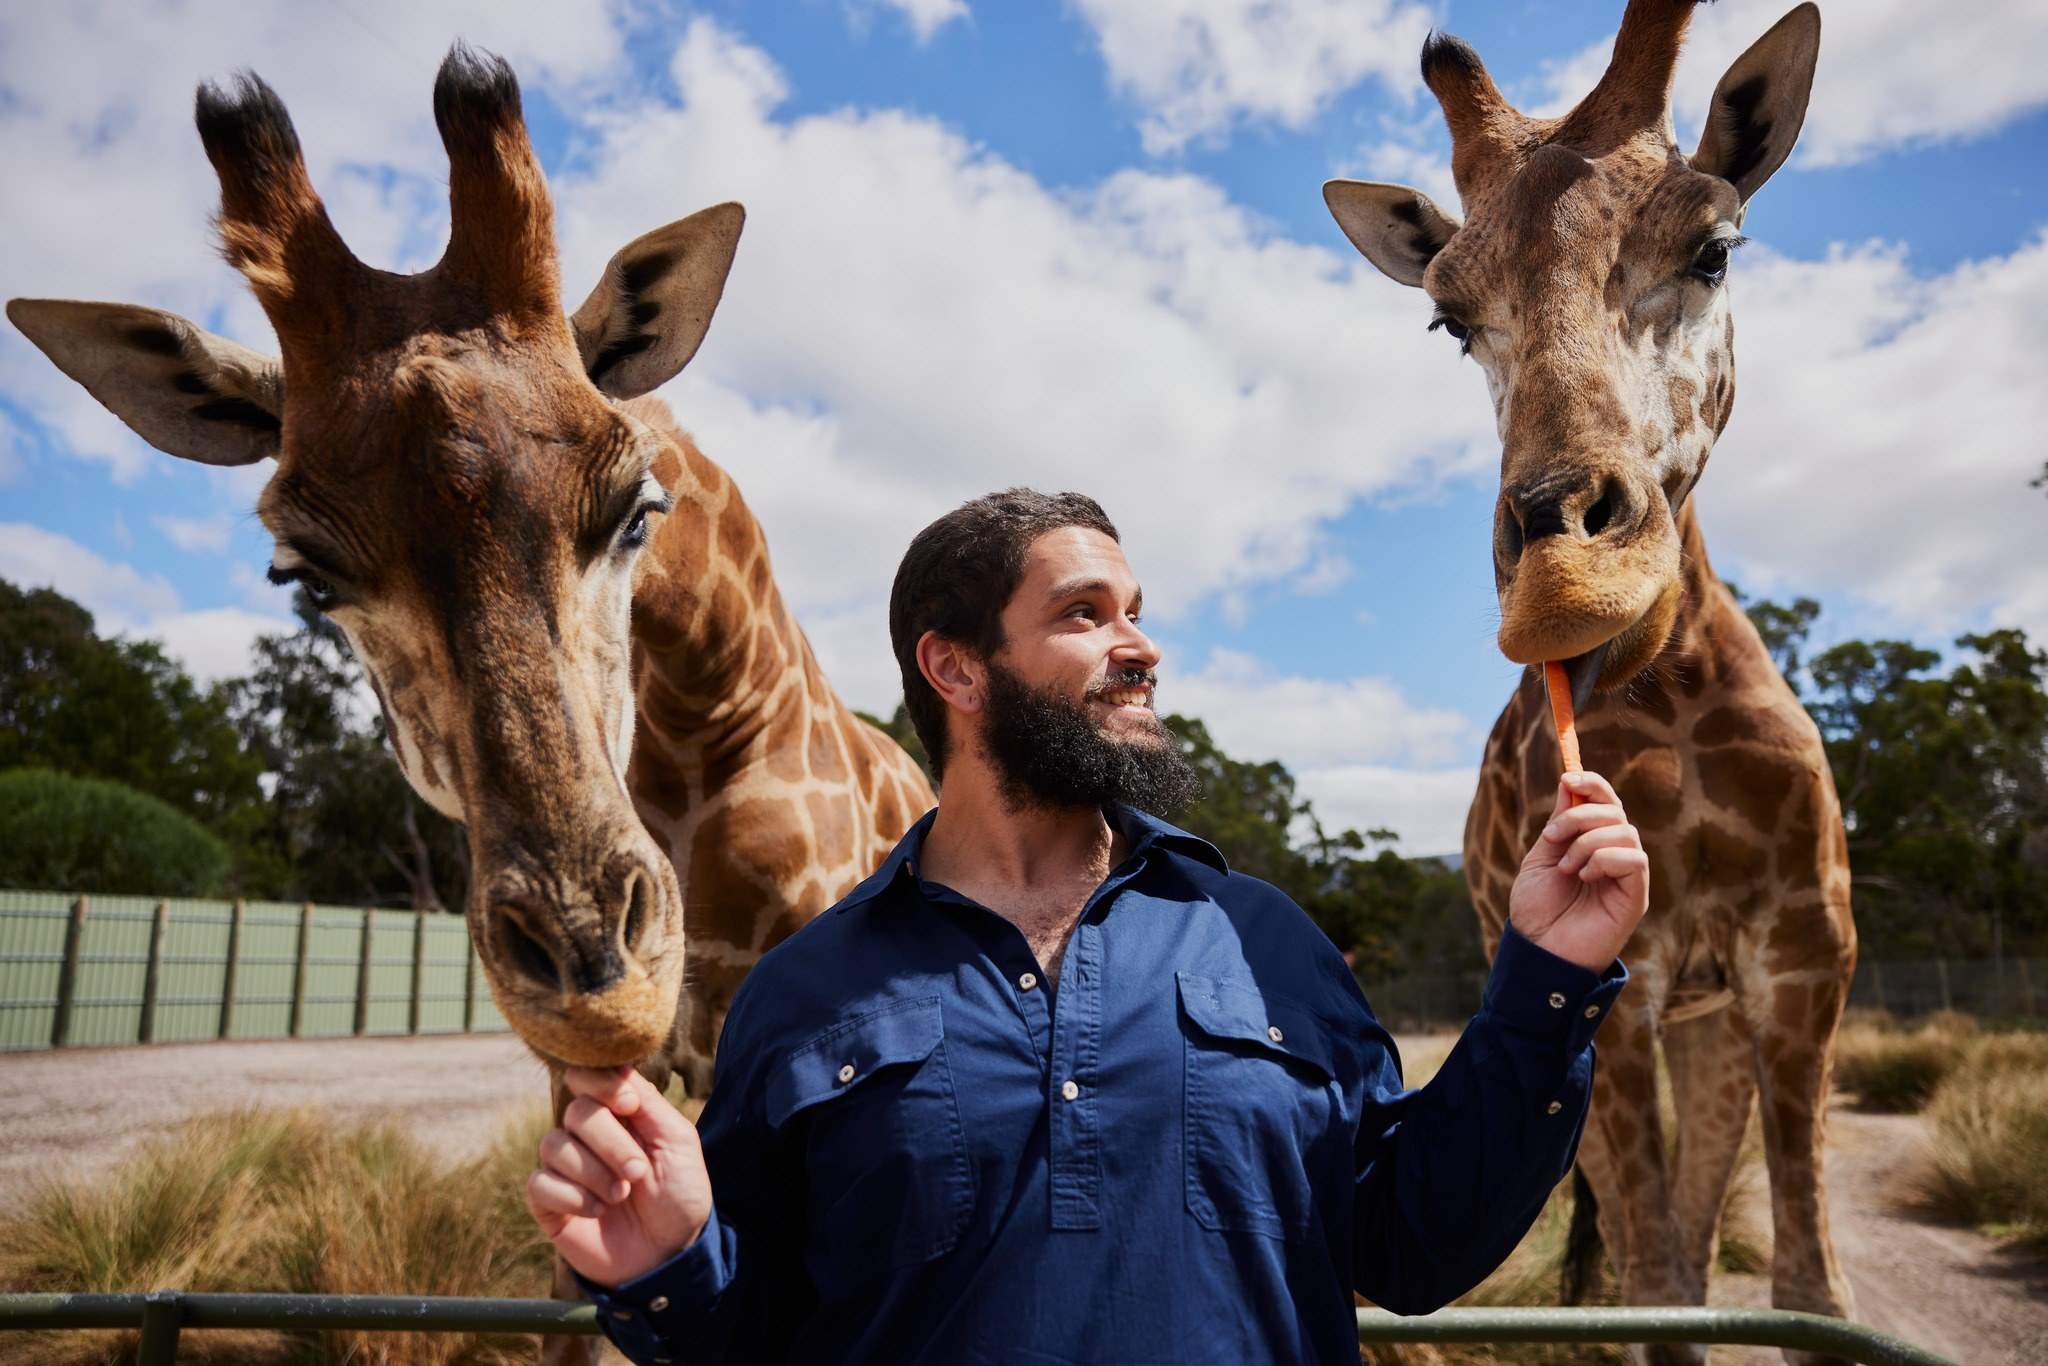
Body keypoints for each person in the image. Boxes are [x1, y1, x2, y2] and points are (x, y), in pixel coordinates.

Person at [525, 489, 1646, 1365]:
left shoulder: (1266, 941)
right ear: (954, 666)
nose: (1140, 644)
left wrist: (1543, 980)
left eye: (1136, 611)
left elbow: (1413, 1244)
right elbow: (756, 1333)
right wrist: (670, 1263)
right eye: (1084, 612)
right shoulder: (806, 992)